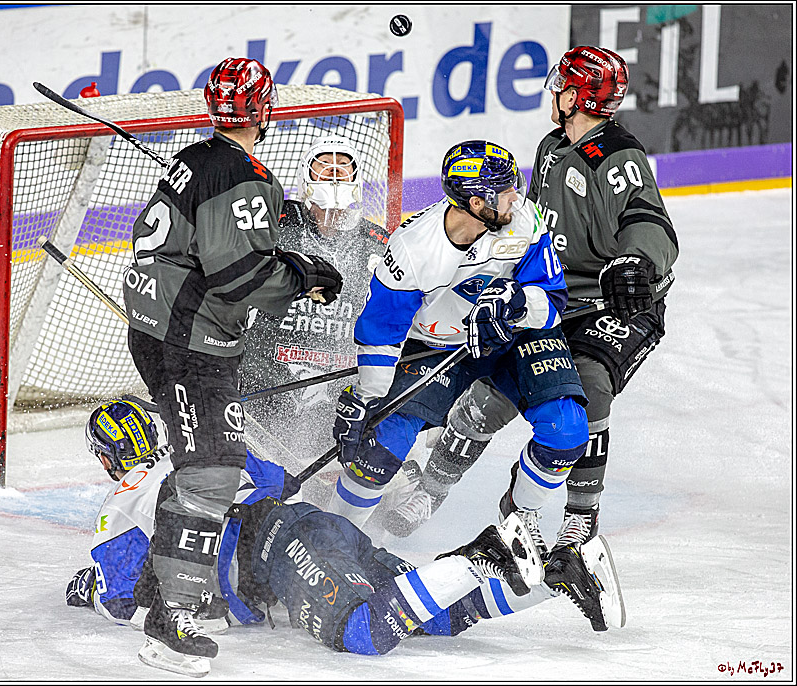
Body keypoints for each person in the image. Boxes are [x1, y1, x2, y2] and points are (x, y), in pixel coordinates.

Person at [66, 399, 624, 677]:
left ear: (109, 459)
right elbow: (278, 480)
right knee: (441, 615)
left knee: (362, 631)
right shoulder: (208, 451)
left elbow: (122, 599)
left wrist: (89, 587)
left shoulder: (123, 504)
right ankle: (562, 571)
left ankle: (483, 554)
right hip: (309, 529)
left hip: (275, 548)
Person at [387, 47, 678, 557]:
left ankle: (580, 519)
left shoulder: (617, 155)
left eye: (561, 86)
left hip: (617, 301)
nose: (554, 93)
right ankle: (430, 490)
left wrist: (636, 260)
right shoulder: (552, 146)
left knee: (587, 385)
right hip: (554, 296)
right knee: (490, 393)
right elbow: (528, 227)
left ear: (577, 96)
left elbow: (647, 218)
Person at [121, 56, 344, 673]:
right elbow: (238, 277)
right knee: (214, 471)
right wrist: (305, 274)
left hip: (161, 330)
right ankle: (172, 621)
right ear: (264, 110)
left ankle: (153, 590)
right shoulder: (241, 174)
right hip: (191, 341)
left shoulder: (194, 159)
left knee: (198, 464)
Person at [327, 139, 595, 594]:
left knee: (566, 431)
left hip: (514, 335)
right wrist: (366, 397)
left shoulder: (523, 220)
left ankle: (520, 518)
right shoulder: (414, 247)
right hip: (434, 345)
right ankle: (329, 540)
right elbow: (382, 331)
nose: (517, 197)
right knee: (380, 447)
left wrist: (515, 302)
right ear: (476, 203)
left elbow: (552, 301)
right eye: (505, 192)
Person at [242, 136, 389, 470]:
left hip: (338, 385)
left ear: (356, 179)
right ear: (306, 177)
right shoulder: (277, 224)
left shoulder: (376, 243)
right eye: (324, 165)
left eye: (344, 166)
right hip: (266, 376)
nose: (334, 171)